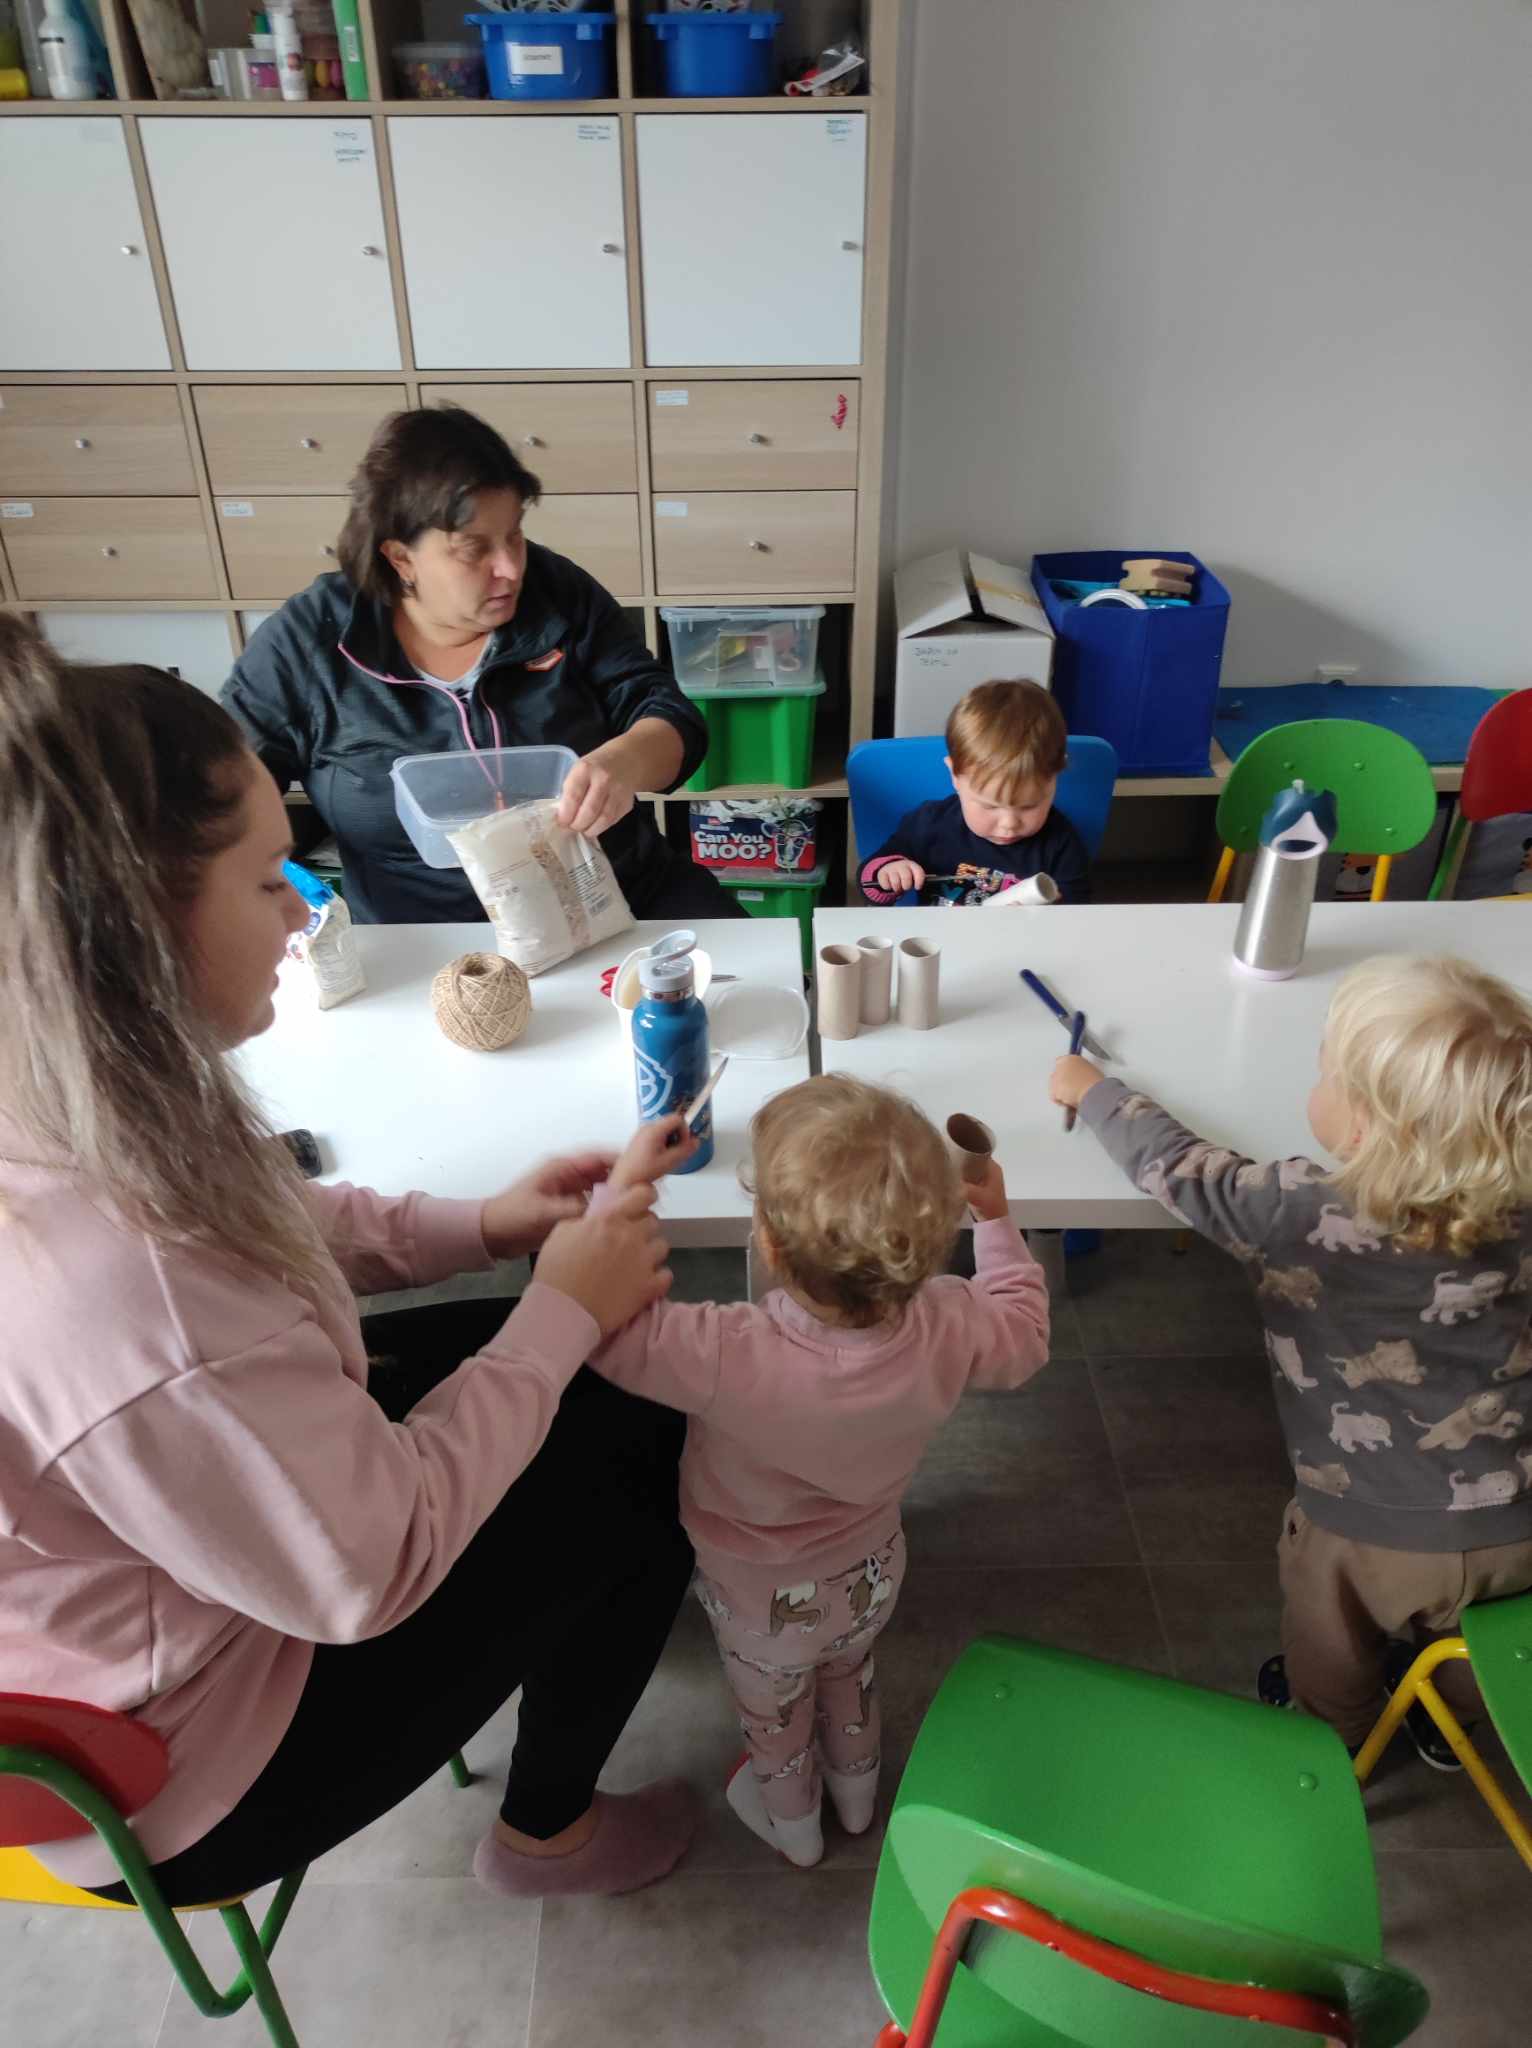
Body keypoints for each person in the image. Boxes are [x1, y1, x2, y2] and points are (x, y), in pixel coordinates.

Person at [0, 616, 699, 1907]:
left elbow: (268, 1214)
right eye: (270, 879)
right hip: (187, 1754)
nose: (303, 910)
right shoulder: (123, 1293)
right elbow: (373, 1567)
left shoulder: (66, 1081)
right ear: (134, 923)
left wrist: (481, 1227)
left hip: (194, 1563)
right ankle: (547, 1832)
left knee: (596, 1377)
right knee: (643, 1433)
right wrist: (556, 1312)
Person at [1050, 954, 1532, 1763]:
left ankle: (1334, 1747)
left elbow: (1180, 1169)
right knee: (1479, 1647)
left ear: (1366, 1128)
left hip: (1362, 1531)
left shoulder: (1298, 1211)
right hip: (1516, 1518)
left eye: (1326, 1071)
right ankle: (1450, 1725)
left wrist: (1091, 1089)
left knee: (1329, 1641)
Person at [584, 1076, 1051, 1867]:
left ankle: (795, 1829)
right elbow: (1026, 1332)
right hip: (871, 1569)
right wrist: (998, 1222)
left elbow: (602, 1329)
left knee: (774, 1718)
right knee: (850, 1677)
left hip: (755, 1596)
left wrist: (623, 1191)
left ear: (768, 1246)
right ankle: (859, 1800)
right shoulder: (949, 1320)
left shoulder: (725, 1350)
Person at [222, 403, 743, 926]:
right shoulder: (309, 643)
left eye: (514, 534)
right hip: (424, 936)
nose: (511, 568)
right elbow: (221, 795)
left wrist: (624, 762)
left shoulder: (557, 592)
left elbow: (669, 715)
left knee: (758, 967)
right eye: (474, 549)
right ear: (400, 557)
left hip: (617, 898)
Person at [858, 679, 1090, 907]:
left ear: (1055, 777)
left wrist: (1041, 916)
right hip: (937, 933)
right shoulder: (928, 825)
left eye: (1029, 805)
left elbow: (1076, 911)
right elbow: (869, 885)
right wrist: (889, 873)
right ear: (955, 775)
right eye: (989, 806)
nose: (1009, 824)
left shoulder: (1061, 843)